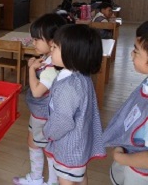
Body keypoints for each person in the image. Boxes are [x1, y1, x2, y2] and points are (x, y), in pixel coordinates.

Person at [44, 24, 106, 185]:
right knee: (80, 176)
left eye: (55, 47)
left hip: (69, 147)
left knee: (66, 179)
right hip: (81, 143)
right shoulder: (82, 76)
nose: (51, 50)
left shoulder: (69, 86)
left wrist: (48, 132)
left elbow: (63, 121)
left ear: (72, 53)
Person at [13, 13, 67, 185]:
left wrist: (30, 70)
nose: (33, 42)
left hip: (44, 116)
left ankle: (46, 181)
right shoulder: (49, 59)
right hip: (40, 114)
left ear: (52, 43)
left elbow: (37, 92)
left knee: (45, 148)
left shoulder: (52, 67)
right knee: (34, 142)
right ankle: (39, 178)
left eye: (37, 39)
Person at [102, 21, 148, 185]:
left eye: (136, 51)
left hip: (139, 172)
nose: (131, 55)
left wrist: (122, 157)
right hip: (129, 159)